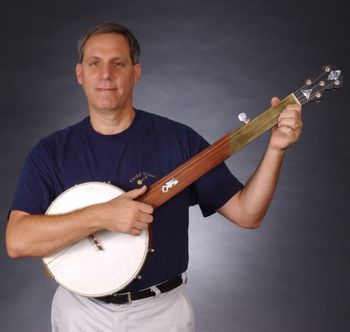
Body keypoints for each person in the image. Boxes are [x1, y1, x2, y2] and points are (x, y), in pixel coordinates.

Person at [6, 22, 303, 332]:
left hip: (162, 315)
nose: (105, 74)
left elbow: (248, 214)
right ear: (80, 73)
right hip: (80, 314)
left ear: (135, 73)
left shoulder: (179, 141)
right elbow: (17, 241)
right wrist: (102, 215)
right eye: (95, 63)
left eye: (117, 63)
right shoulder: (51, 153)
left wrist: (276, 149)